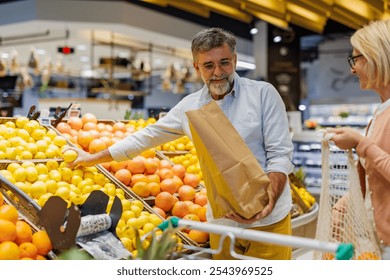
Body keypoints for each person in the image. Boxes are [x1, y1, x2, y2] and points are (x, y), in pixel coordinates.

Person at [67, 27, 294, 260]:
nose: (218, 72)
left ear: (234, 60)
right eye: (208, 66)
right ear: (196, 67)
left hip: (269, 220)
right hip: (222, 223)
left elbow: (280, 154)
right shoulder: (190, 107)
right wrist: (91, 158)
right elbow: (146, 137)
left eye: (225, 62)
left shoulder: (263, 94)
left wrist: (268, 204)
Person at [327, 19, 390, 258]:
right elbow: (374, 180)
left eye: (355, 59)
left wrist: (360, 143)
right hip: (377, 240)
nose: (352, 69)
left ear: (376, 57)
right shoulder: (379, 112)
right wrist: (344, 204)